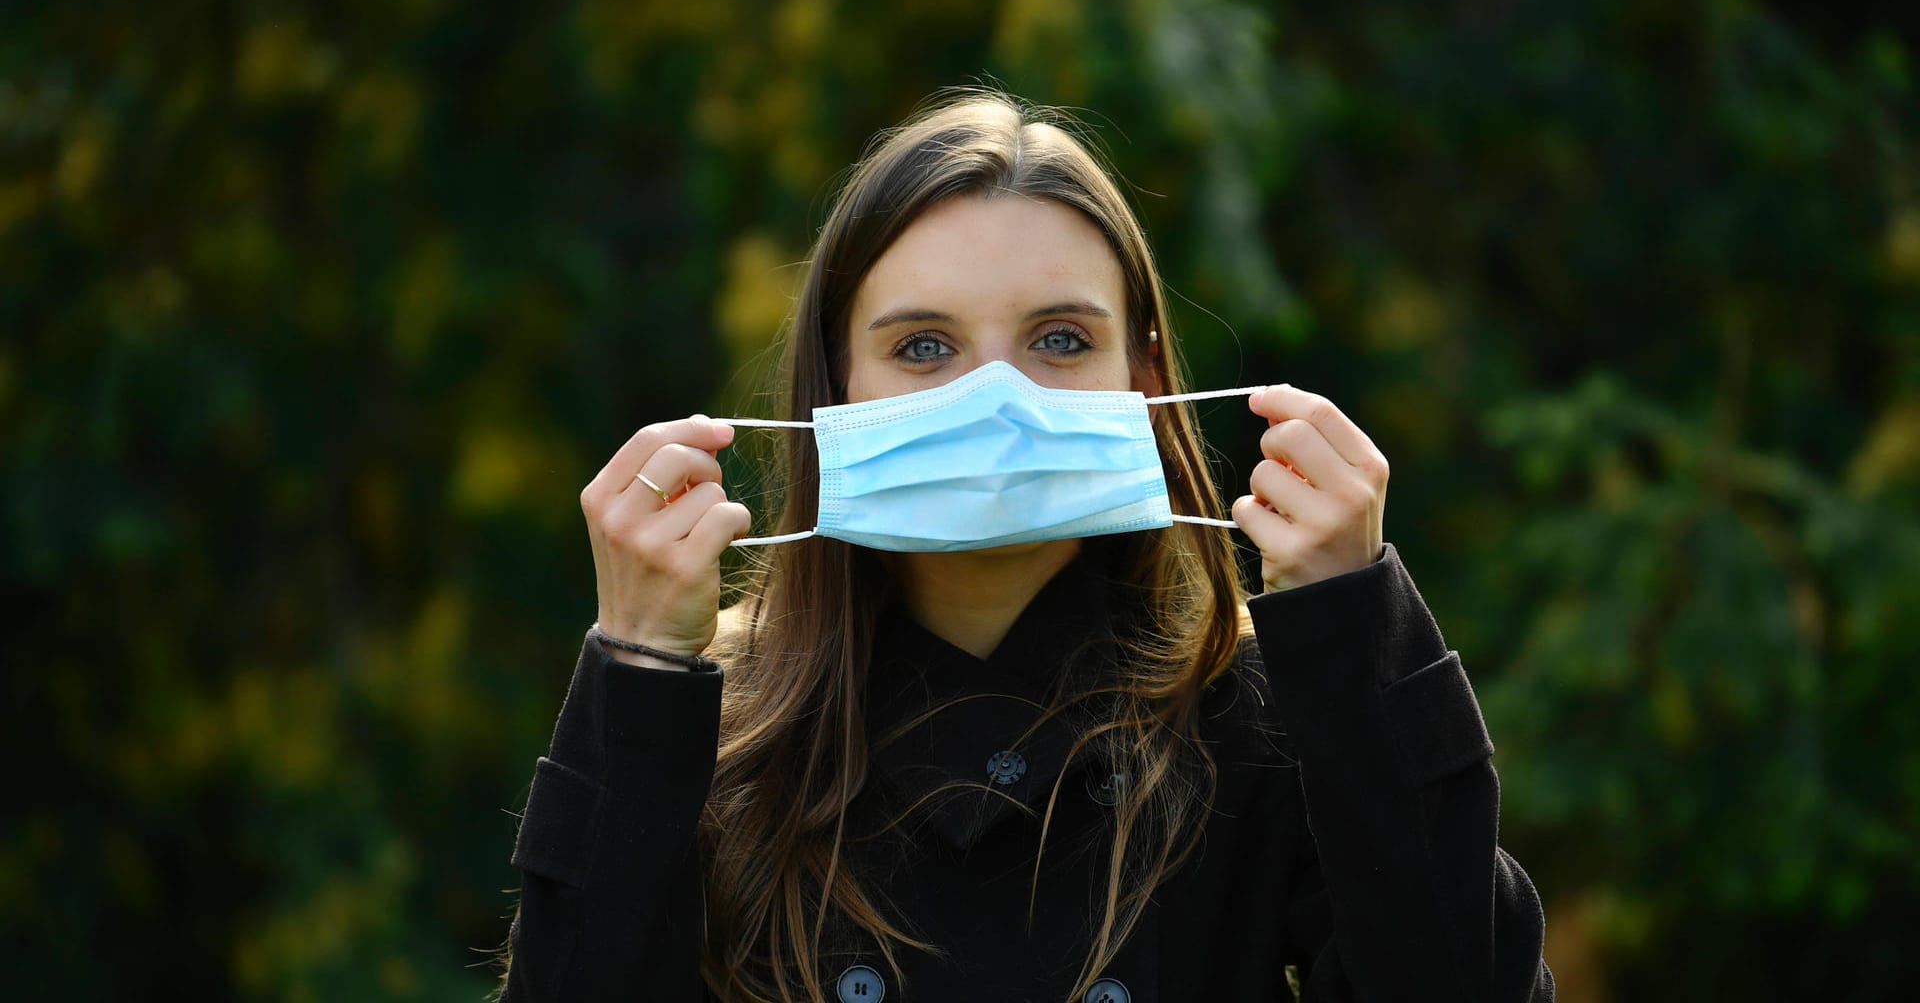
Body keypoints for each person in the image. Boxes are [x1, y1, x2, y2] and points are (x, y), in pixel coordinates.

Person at [496, 89, 1553, 1002]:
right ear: (837, 387)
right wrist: (637, 667)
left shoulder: (1251, 716)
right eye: (924, 347)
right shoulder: (720, 735)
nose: (994, 399)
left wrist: (1352, 627)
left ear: (1142, 381)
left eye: (1058, 341)